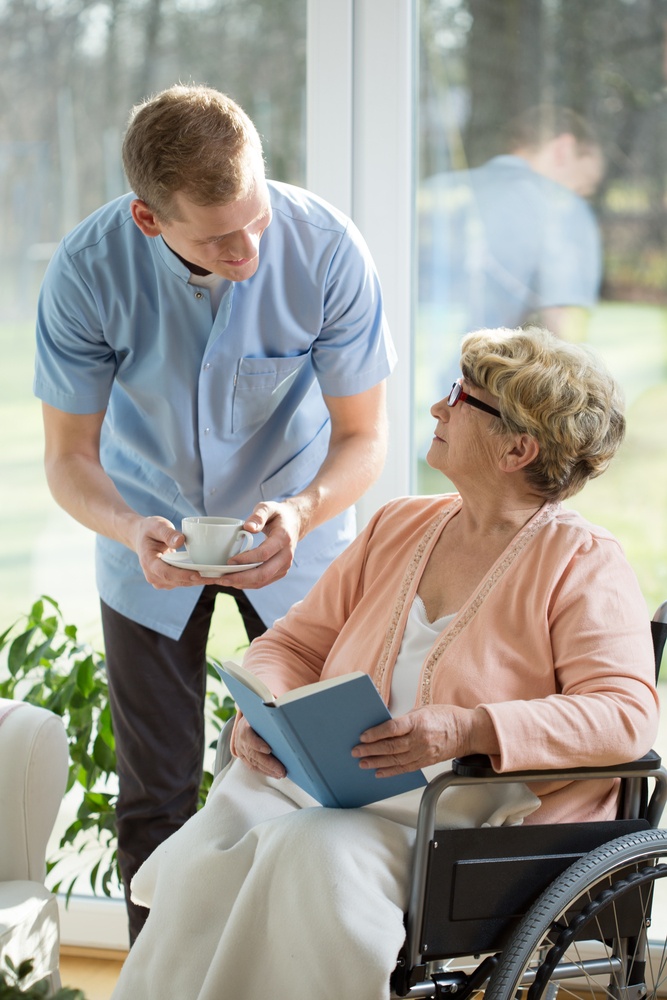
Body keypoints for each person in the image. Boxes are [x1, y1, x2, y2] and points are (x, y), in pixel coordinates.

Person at [109, 327, 659, 1000]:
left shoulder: (580, 560)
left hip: (463, 821)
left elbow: (625, 715)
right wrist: (268, 712)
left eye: (461, 398)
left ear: (518, 448)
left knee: (312, 851)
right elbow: (290, 644)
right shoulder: (399, 524)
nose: (437, 407)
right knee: (207, 854)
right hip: (334, 787)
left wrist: (468, 729)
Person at [32, 84, 396, 940]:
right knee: (154, 791)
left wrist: (302, 514)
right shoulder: (89, 270)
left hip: (299, 541)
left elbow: (364, 437)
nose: (248, 247)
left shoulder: (327, 249)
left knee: (329, 778)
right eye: (218, 235)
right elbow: (68, 457)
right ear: (150, 220)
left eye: (257, 216)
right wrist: (128, 529)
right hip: (144, 542)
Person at [417, 106, 605, 444]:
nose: (577, 195)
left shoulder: (437, 187)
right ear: (563, 149)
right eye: (581, 185)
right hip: (488, 424)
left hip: (419, 405)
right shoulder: (556, 207)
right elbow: (564, 324)